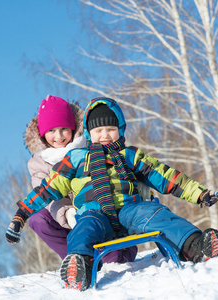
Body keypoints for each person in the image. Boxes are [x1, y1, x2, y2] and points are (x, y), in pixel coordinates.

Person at [6, 97, 218, 291]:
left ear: (120, 129)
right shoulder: (75, 158)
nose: (104, 135)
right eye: (98, 131)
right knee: (83, 230)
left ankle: (194, 245)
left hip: (130, 209)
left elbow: (165, 176)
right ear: (89, 133)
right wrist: (22, 214)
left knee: (157, 214)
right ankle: (80, 267)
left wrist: (199, 193)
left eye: (110, 130)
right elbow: (47, 189)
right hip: (94, 213)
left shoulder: (130, 155)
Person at [8, 95, 137, 264]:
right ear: (42, 134)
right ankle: (74, 260)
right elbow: (45, 194)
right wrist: (67, 212)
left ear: (73, 127)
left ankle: (110, 251)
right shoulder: (38, 163)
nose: (59, 136)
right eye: (51, 131)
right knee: (38, 218)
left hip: (98, 212)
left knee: (113, 260)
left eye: (64, 128)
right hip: (66, 219)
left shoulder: (89, 145)